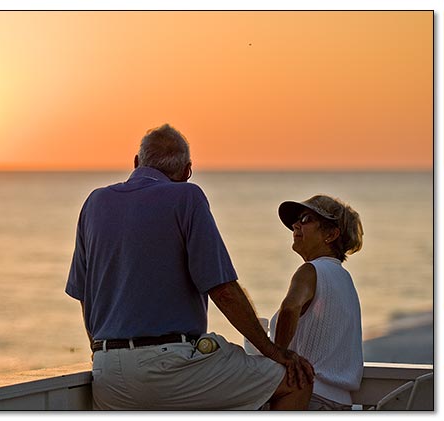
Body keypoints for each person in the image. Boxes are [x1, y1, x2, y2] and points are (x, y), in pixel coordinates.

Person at [65, 124, 314, 410]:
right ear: (187, 172)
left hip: (107, 373)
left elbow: (86, 296)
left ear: (136, 162)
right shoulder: (187, 197)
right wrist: (274, 352)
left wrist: (100, 354)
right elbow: (222, 290)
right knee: (297, 383)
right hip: (169, 368)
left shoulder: (94, 203)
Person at [270, 195, 364, 410]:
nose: (295, 225)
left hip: (307, 396)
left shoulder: (311, 270)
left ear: (331, 234)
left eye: (306, 219)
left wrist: (278, 355)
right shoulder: (344, 279)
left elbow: (290, 307)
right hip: (340, 403)